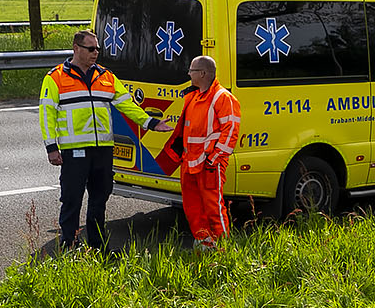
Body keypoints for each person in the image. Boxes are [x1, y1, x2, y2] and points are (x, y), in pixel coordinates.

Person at [39, 30, 162, 250]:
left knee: (99, 199)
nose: (96, 53)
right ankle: (69, 245)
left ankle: (97, 246)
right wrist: (51, 147)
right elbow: (47, 114)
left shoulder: (105, 76)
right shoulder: (55, 77)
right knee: (71, 200)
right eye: (91, 49)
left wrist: (150, 123)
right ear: (76, 48)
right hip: (74, 151)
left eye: (97, 49)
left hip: (102, 150)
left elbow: (127, 105)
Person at [161, 55, 241, 248]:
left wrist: (214, 159)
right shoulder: (194, 96)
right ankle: (206, 247)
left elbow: (230, 132)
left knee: (213, 208)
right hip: (190, 163)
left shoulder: (223, 98)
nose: (189, 73)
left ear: (203, 73)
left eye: (192, 70)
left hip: (209, 164)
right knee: (193, 208)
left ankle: (222, 249)